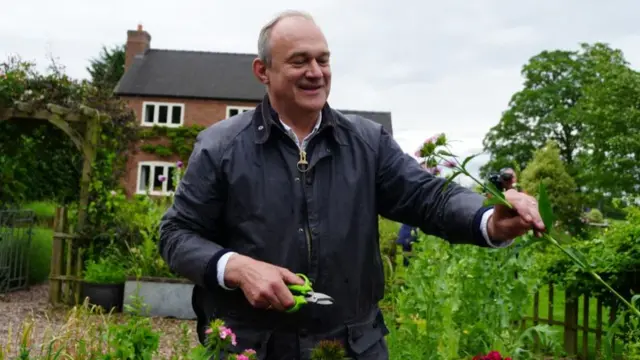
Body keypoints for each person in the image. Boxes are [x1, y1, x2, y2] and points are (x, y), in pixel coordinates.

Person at [158, 10, 545, 360]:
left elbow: (428, 197)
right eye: (299, 61)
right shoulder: (222, 146)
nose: (316, 71)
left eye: (323, 59)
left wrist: (488, 220)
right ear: (263, 71)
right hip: (254, 347)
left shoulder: (366, 143)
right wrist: (237, 268)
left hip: (352, 347)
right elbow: (176, 234)